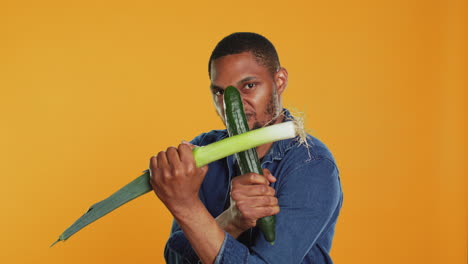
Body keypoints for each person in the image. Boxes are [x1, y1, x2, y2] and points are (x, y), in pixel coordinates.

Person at [149, 32, 343, 264]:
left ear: (279, 81)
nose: (232, 104)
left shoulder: (312, 163)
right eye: (220, 92)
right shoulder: (202, 151)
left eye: (249, 86)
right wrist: (232, 220)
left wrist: (186, 206)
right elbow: (175, 257)